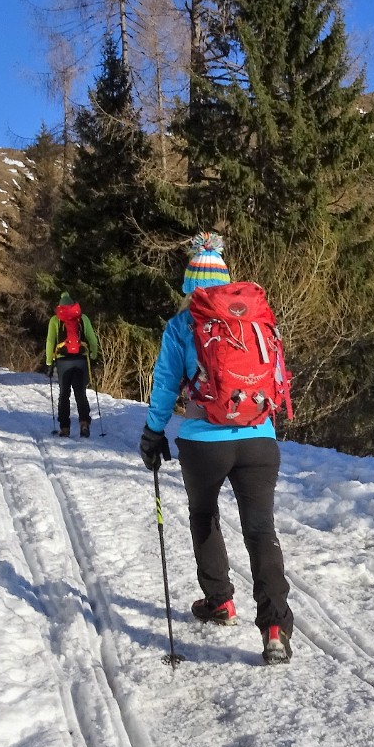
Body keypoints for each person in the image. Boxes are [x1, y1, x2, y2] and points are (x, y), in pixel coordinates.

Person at [139, 233, 294, 665]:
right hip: (260, 438)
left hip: (203, 442)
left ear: (189, 285)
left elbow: (166, 385)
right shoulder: (259, 321)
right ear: (227, 283)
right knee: (261, 529)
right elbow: (279, 378)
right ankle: (276, 627)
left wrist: (154, 433)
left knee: (204, 515)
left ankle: (220, 601)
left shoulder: (180, 325)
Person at [45, 292, 100, 437]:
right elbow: (92, 339)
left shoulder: (55, 320)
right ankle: (84, 424)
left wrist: (49, 363)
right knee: (80, 393)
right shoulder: (83, 318)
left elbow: (50, 341)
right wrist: (94, 355)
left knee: (64, 394)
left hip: (63, 361)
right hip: (81, 359)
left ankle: (65, 428)